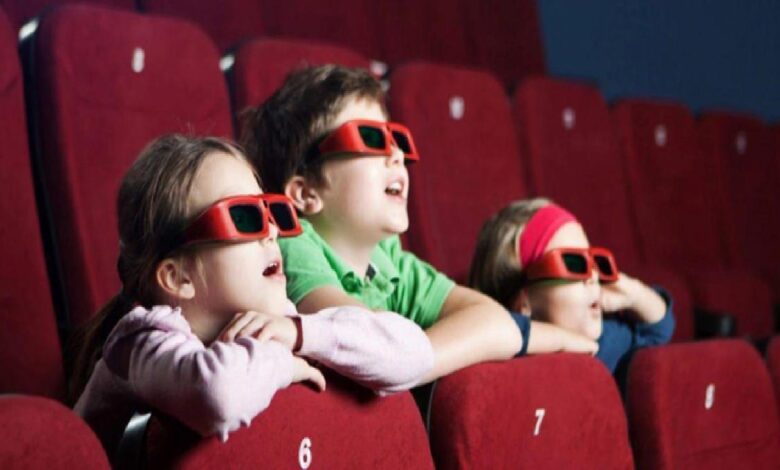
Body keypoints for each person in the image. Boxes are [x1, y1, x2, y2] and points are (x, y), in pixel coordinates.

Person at [71, 134, 434, 457]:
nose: (273, 231)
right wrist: (282, 358)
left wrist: (303, 334)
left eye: (272, 212)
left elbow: (415, 354)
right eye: (245, 217)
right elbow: (218, 396)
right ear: (178, 277)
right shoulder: (140, 342)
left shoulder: (281, 322)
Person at [240, 65, 597, 382]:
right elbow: (369, 339)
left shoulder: (390, 261)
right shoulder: (292, 246)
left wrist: (409, 362)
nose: (396, 154)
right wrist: (408, 353)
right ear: (306, 193)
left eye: (397, 140)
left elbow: (495, 321)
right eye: (371, 138)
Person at [469, 198, 674, 375]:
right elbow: (488, 326)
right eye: (574, 263)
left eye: (596, 262)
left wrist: (634, 293)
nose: (593, 275)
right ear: (523, 303)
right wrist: (564, 342)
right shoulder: (506, 355)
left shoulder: (602, 345)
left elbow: (659, 330)